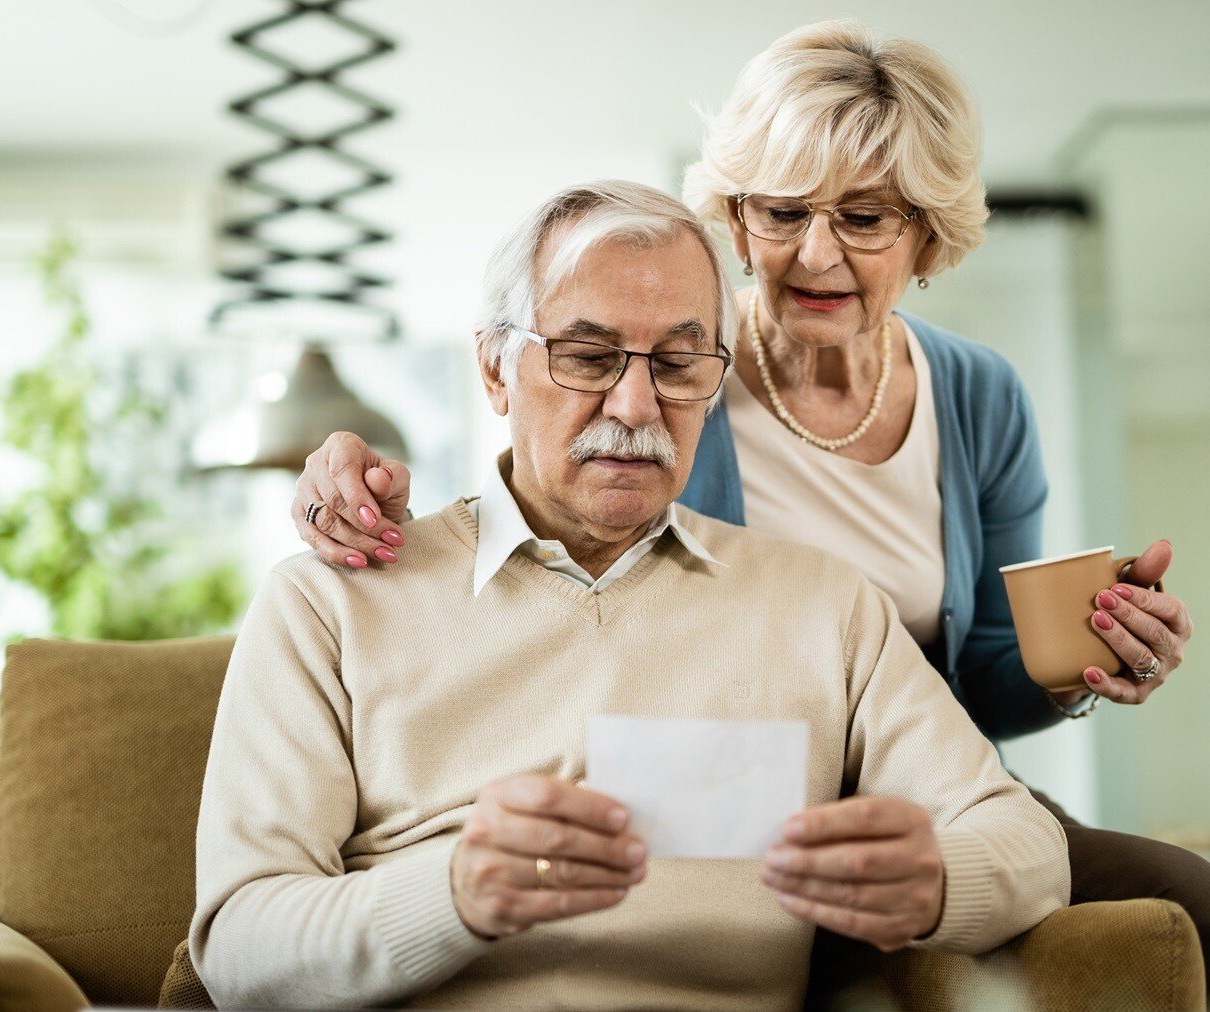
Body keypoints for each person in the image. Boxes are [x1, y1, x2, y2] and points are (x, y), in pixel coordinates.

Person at [281, 21, 1210, 1010]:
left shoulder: (978, 396)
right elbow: (536, 501)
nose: (816, 255)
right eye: (781, 213)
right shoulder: (674, 372)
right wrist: (348, 476)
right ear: (736, 221)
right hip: (728, 785)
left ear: (926, 237)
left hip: (907, 781)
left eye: (863, 219)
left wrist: (1086, 657)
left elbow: (986, 682)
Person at [190, 181, 1071, 1010]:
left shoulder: (824, 606)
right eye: (587, 356)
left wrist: (941, 883)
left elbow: (1027, 846)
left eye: (681, 364)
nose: (638, 404)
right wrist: (451, 894)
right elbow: (238, 946)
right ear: (495, 370)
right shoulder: (332, 603)